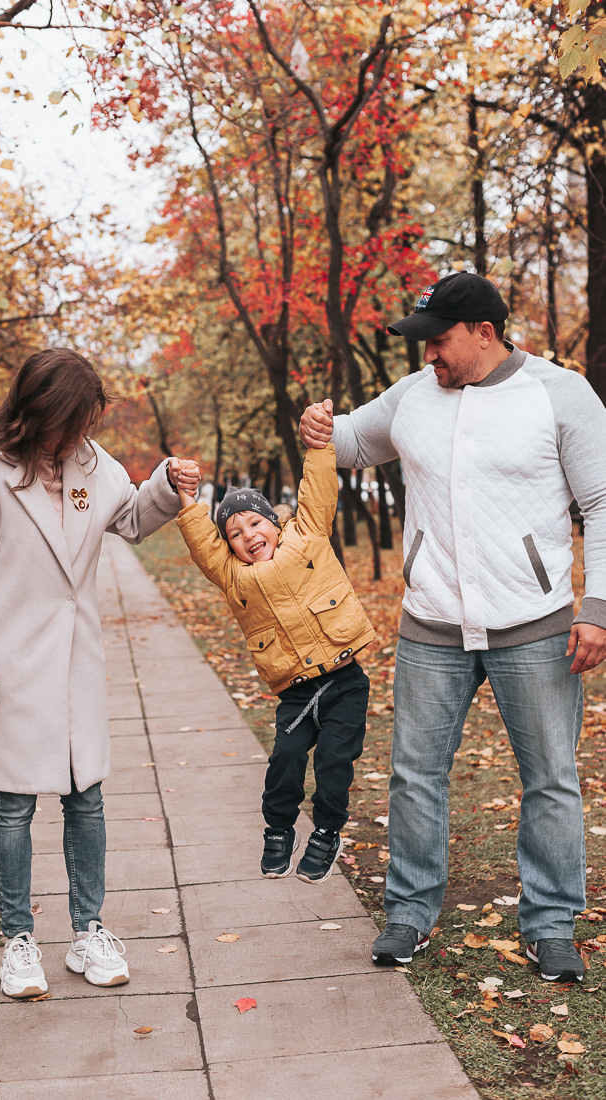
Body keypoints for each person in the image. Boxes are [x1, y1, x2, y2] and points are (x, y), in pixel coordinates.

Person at [300, 271, 606, 983]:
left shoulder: (560, 396)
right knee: (414, 776)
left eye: (439, 342)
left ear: (486, 334)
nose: (428, 356)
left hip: (534, 624)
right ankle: (408, 912)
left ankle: (552, 923)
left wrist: (598, 610)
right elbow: (351, 443)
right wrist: (322, 428)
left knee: (552, 778)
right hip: (432, 622)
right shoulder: (413, 397)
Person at [0, 348, 200, 998]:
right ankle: (19, 941)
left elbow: (130, 519)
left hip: (75, 659)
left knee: (87, 798)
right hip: (6, 664)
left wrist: (164, 482)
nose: (84, 428)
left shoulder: (90, 463)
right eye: (74, 417)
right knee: (14, 804)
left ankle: (89, 932)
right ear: (39, 411)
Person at [175, 443, 375, 883]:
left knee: (333, 763)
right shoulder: (231, 576)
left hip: (345, 681)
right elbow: (200, 541)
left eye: (254, 522)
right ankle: (278, 830)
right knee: (285, 758)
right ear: (228, 547)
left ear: (274, 522)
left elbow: (319, 491)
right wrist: (187, 497)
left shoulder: (307, 537)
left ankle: (326, 832)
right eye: (234, 533)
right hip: (297, 691)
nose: (247, 535)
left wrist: (319, 446)